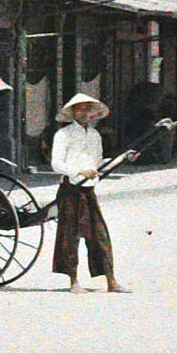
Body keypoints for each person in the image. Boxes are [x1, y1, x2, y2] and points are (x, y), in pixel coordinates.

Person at [49, 93, 126, 293]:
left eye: (87, 109)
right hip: (70, 189)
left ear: (93, 114)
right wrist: (78, 172)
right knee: (70, 235)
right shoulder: (63, 135)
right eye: (80, 109)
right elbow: (56, 163)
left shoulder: (94, 136)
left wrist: (122, 159)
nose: (84, 113)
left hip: (88, 189)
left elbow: (97, 161)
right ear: (73, 112)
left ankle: (111, 281)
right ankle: (73, 281)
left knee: (99, 235)